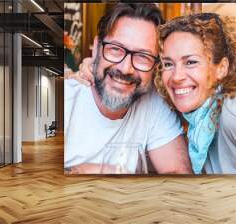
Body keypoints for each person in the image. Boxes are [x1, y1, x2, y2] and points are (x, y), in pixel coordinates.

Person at [64, 3, 192, 174]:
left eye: (143, 57)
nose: (125, 69)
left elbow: (179, 177)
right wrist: (79, 171)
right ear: (96, 48)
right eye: (115, 49)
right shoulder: (66, 100)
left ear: (156, 65)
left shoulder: (153, 103)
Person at [155, 13, 236, 175]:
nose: (177, 76)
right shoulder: (198, 121)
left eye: (191, 62)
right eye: (168, 64)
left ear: (221, 68)